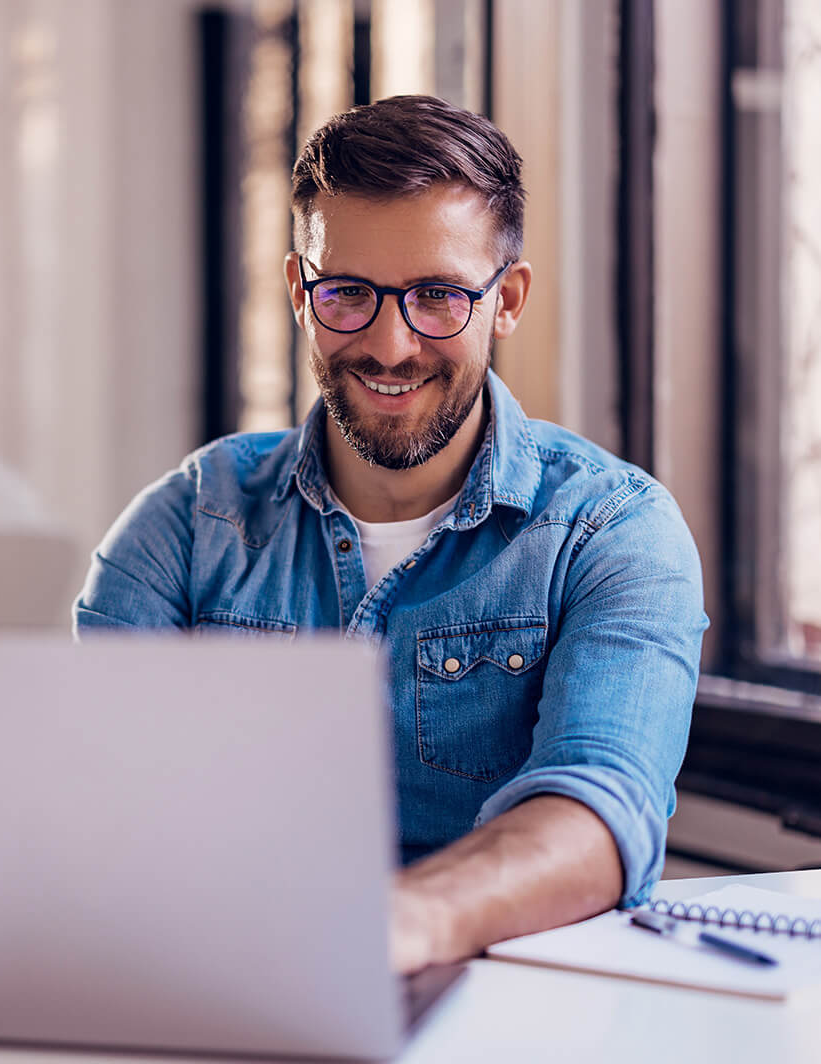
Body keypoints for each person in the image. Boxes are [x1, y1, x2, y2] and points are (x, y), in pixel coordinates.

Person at [73, 95, 707, 973]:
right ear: (301, 292)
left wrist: (399, 925)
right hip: (220, 990)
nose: (391, 343)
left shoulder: (613, 532)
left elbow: (603, 809)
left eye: (439, 296)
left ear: (507, 300)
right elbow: (92, 797)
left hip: (498, 1017)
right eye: (347, 294)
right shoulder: (186, 524)